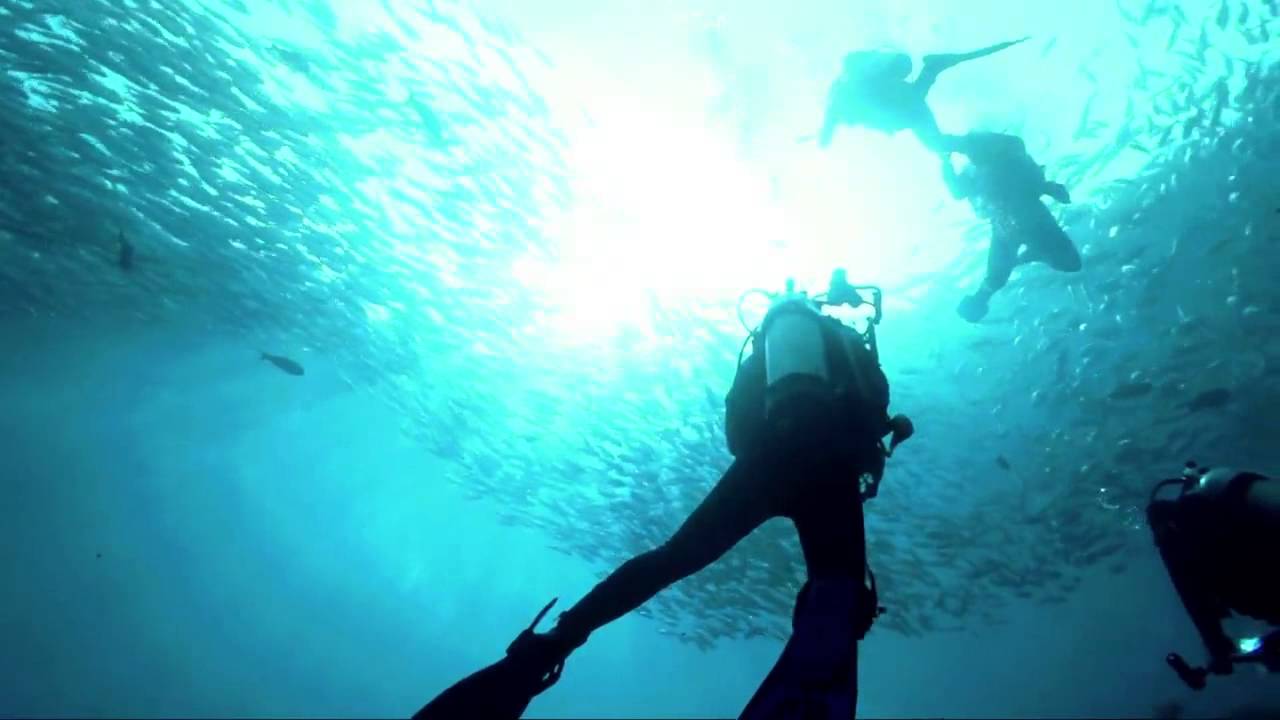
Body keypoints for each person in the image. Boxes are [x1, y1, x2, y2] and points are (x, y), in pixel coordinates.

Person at [414, 273, 914, 720]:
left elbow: (737, 432)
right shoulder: (844, 340)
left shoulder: (764, 349)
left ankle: (553, 644)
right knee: (839, 590)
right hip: (832, 463)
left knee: (672, 558)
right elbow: (877, 400)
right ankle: (813, 674)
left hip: (768, 458)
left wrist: (768, 451)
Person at [1147, 463, 1280, 689]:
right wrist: (1216, 642)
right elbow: (1195, 599)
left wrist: (1215, 643)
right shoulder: (1192, 547)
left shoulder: (1188, 534)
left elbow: (1192, 597)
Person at [941, 131, 1081, 323]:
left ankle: (983, 296)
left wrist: (945, 160)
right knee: (1069, 263)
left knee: (1070, 263)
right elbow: (1035, 182)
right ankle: (983, 296)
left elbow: (1033, 182)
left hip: (1016, 222)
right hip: (1014, 222)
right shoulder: (1003, 155)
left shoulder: (1007, 153)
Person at [816, 37, 1029, 153]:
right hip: (904, 104)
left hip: (901, 104)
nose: (852, 123)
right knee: (936, 142)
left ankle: (931, 69)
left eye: (851, 120)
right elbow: (828, 130)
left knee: (934, 140)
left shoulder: (841, 100)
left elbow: (826, 133)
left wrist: (826, 135)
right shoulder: (844, 98)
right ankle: (932, 69)